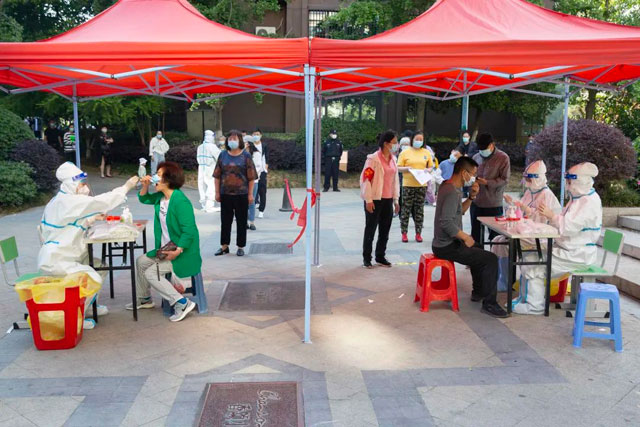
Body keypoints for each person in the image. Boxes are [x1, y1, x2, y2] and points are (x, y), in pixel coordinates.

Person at [38, 162, 139, 328]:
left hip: (65, 256)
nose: (85, 187)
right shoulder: (68, 201)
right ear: (71, 184)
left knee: (100, 266)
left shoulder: (60, 200)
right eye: (81, 184)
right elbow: (101, 201)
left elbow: (68, 223)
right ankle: (75, 318)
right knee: (93, 278)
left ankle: (89, 306)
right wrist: (126, 187)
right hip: (58, 260)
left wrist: (91, 218)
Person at [514, 162, 602, 315]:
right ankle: (525, 299)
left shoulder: (589, 202)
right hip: (567, 249)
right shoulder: (579, 199)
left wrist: (551, 216)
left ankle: (535, 306)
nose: (567, 184)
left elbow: (568, 227)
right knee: (529, 258)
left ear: (579, 181)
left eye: (569, 181)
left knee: (534, 265)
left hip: (577, 254)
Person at [432, 157, 508, 318]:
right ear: (464, 173)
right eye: (472, 174)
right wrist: (465, 237)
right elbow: (446, 222)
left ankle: (478, 292)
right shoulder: (452, 191)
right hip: (446, 246)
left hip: (445, 242)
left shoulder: (448, 186)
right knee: (490, 259)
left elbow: (459, 211)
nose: (474, 178)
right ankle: (490, 303)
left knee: (478, 248)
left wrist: (472, 197)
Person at [134, 162, 201, 322]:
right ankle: (144, 299)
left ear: (168, 179)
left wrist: (178, 250)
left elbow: (189, 230)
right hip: (166, 249)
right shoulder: (161, 198)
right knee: (141, 261)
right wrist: (145, 185)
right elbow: (144, 199)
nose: (154, 177)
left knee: (151, 273)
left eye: (158, 175)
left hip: (182, 252)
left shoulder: (180, 201)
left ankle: (181, 303)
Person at [491, 161, 561, 291]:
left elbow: (542, 221)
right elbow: (520, 210)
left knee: (506, 245)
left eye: (529, 179)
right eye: (526, 179)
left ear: (538, 178)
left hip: (541, 237)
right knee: (497, 241)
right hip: (526, 232)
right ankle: (502, 280)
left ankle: (507, 283)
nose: (527, 182)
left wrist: (527, 211)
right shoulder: (530, 192)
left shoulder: (547, 195)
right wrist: (512, 204)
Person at [214, 130, 258, 257]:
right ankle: (224, 246)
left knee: (241, 221)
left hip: (242, 194)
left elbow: (251, 177)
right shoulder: (223, 155)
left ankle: (240, 246)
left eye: (235, 139)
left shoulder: (246, 156)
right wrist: (217, 192)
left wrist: (250, 194)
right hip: (225, 194)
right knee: (225, 221)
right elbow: (217, 176)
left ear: (240, 141)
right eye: (230, 139)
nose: (232, 141)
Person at [361, 130, 400, 269]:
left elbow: (395, 181)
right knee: (370, 229)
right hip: (375, 199)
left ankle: (380, 256)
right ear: (386, 143)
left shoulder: (394, 159)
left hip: (388, 199)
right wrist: (368, 199)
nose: (396, 145)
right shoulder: (373, 159)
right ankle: (367, 258)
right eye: (394, 142)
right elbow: (366, 179)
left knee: (385, 230)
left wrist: (396, 200)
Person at [471, 133, 510, 244]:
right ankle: (477, 254)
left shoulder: (503, 158)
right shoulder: (476, 157)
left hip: (493, 203)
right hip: (476, 201)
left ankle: (495, 254)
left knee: (495, 238)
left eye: (485, 148)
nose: (482, 151)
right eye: (480, 149)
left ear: (492, 145)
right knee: (476, 236)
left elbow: (505, 179)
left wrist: (487, 182)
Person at [397, 131, 434, 243]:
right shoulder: (405, 152)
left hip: (421, 184)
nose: (419, 141)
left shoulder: (426, 152)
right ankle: (404, 233)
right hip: (408, 184)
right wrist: (407, 168)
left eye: (421, 139)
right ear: (412, 140)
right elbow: (398, 167)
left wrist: (427, 170)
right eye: (417, 139)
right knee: (406, 209)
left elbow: (431, 167)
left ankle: (418, 233)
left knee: (419, 209)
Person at [197, 130, 221, 213]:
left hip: (201, 168)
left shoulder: (200, 147)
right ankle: (209, 206)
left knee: (202, 185)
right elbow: (219, 157)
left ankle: (204, 204)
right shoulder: (212, 147)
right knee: (211, 185)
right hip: (210, 168)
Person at [246, 138, 265, 230]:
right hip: (243, 181)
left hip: (253, 181)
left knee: (251, 200)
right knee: (243, 201)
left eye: (245, 143)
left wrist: (251, 176)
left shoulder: (256, 154)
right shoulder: (241, 154)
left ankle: (252, 222)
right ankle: (245, 221)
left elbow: (259, 167)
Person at [252, 129, 269, 218]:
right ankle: (252, 207)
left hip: (262, 171)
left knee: (262, 190)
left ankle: (261, 210)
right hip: (252, 171)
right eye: (254, 134)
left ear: (261, 135)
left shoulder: (264, 145)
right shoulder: (250, 145)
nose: (256, 136)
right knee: (253, 190)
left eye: (258, 134)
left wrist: (266, 166)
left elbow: (267, 156)